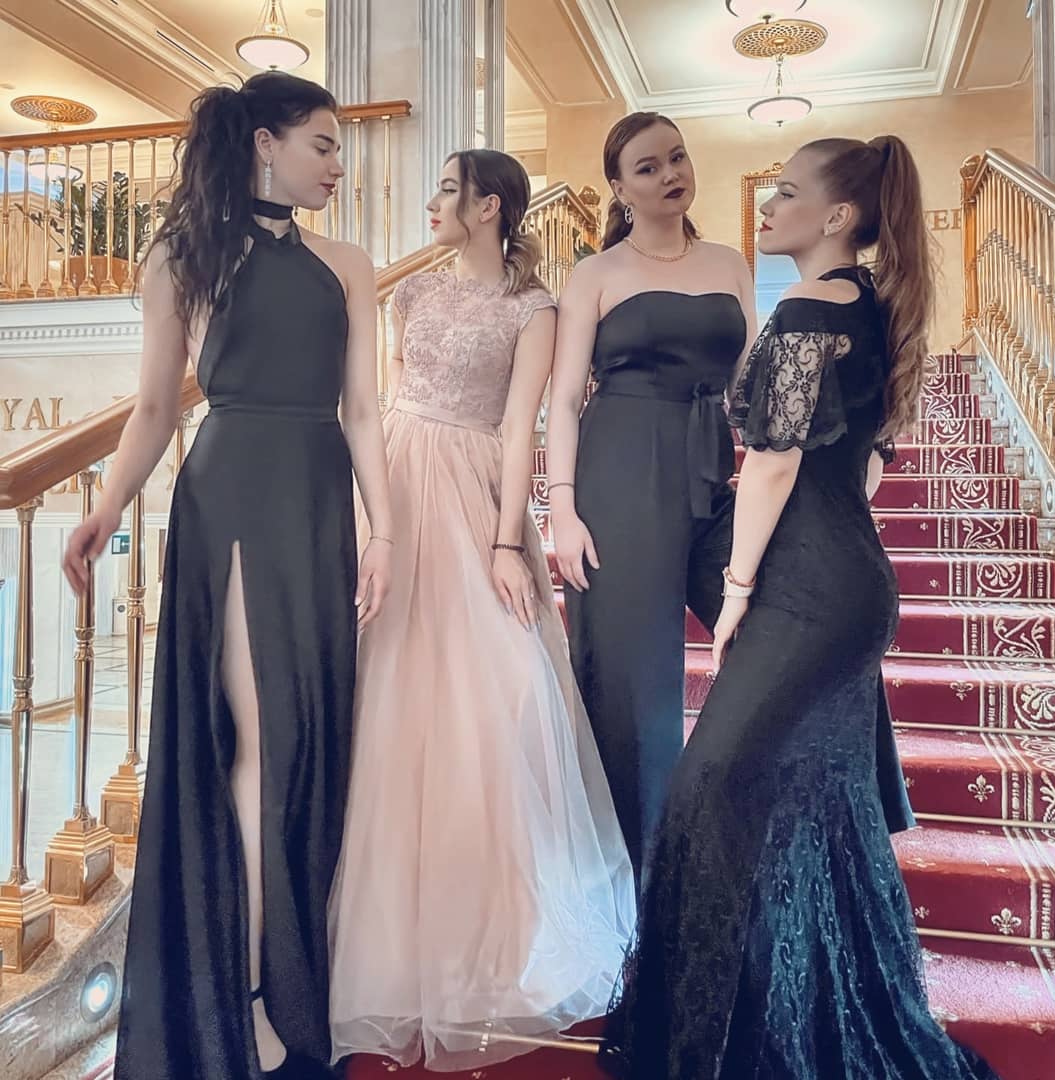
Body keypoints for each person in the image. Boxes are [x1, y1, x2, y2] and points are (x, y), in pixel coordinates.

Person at [605, 136, 1001, 1080]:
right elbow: (864, 464)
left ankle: (745, 1035)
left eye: (786, 192)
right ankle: (798, 1021)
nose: (768, 204)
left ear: (837, 217)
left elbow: (774, 462)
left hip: (807, 591)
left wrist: (737, 590)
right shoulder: (871, 307)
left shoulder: (808, 309)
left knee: (712, 790)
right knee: (817, 811)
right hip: (851, 583)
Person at [62, 72, 392, 1080]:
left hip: (319, 502)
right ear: (264, 142)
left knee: (313, 747)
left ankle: (290, 977)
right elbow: (154, 409)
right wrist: (108, 506)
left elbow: (364, 412)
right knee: (260, 747)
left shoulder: (348, 265)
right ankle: (250, 994)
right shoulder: (184, 255)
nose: (337, 166)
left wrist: (386, 530)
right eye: (323, 145)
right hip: (233, 501)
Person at [327, 148, 635, 1073]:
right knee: (386, 686)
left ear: (489, 205)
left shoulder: (533, 309)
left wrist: (507, 542)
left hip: (472, 494)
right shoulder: (412, 294)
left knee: (497, 694)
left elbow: (518, 428)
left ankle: (490, 933)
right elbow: (379, 405)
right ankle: (382, 940)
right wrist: (370, 511)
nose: (432, 202)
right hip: (395, 487)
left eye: (447, 188)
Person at [546, 112, 754, 888]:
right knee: (634, 686)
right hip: (619, 473)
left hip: (709, 468)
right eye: (647, 166)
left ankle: (726, 825)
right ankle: (637, 881)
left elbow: (750, 385)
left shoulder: (730, 262)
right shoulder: (596, 273)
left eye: (677, 157)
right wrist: (562, 508)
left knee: (776, 626)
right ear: (619, 188)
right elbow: (565, 399)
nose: (670, 174)